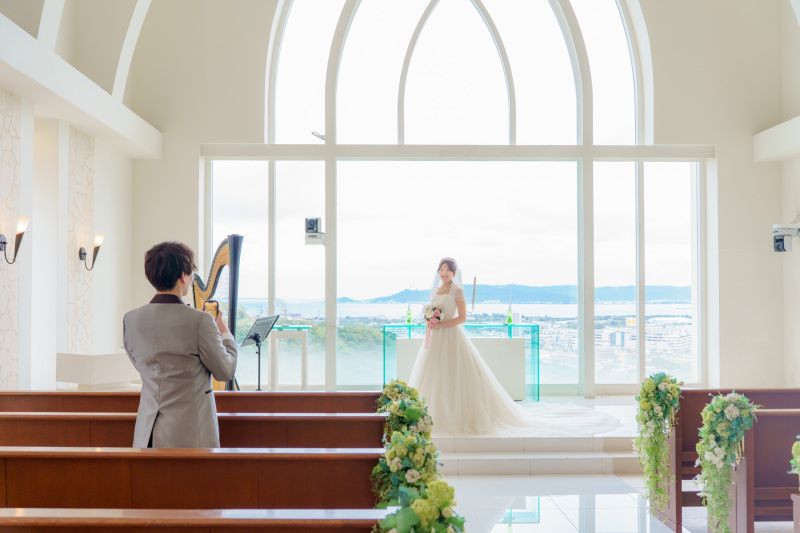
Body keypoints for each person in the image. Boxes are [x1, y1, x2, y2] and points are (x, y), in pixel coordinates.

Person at [409, 257, 620, 436]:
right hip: (436, 337)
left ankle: (453, 415)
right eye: (441, 270)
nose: (444, 273)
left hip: (451, 336)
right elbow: (434, 310)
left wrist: (441, 323)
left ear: (454, 273)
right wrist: (430, 320)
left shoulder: (457, 290)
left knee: (455, 375)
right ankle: (434, 414)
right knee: (436, 375)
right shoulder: (437, 288)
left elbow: (462, 318)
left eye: (448, 270)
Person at [123, 241, 237, 448]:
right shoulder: (200, 321)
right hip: (192, 433)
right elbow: (226, 371)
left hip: (147, 433)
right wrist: (226, 336)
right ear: (183, 276)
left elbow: (142, 365)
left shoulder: (130, 320)